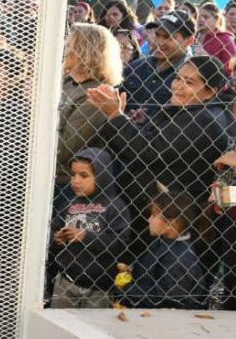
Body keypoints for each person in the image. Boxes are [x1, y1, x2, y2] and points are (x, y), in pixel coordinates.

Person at [90, 54, 233, 200]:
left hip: (168, 208)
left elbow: (149, 150)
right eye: (178, 78)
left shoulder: (204, 119)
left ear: (211, 92)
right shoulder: (193, 109)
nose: (178, 86)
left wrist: (116, 115)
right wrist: (134, 122)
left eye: (189, 83)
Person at [49, 148, 131, 308]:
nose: (76, 181)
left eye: (84, 175)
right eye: (73, 174)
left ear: (102, 176)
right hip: (66, 280)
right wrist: (56, 238)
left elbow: (120, 243)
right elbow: (54, 228)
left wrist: (85, 236)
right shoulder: (70, 204)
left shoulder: (115, 206)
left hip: (99, 287)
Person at [56, 24, 123, 185]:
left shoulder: (97, 94)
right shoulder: (63, 82)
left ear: (83, 51)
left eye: (68, 44)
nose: (63, 48)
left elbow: (63, 150)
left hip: (65, 181)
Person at [123, 192, 208, 309]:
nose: (149, 220)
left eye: (154, 215)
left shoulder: (180, 259)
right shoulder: (163, 242)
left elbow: (167, 299)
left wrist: (127, 289)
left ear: (171, 223)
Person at [122, 11, 195, 112]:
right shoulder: (136, 66)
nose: (159, 42)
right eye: (157, 35)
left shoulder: (193, 77)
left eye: (168, 37)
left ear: (189, 41)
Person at [197, 2, 236, 73]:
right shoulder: (194, 35)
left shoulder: (225, 38)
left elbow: (230, 69)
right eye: (199, 16)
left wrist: (207, 58)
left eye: (206, 17)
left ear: (216, 19)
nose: (201, 19)